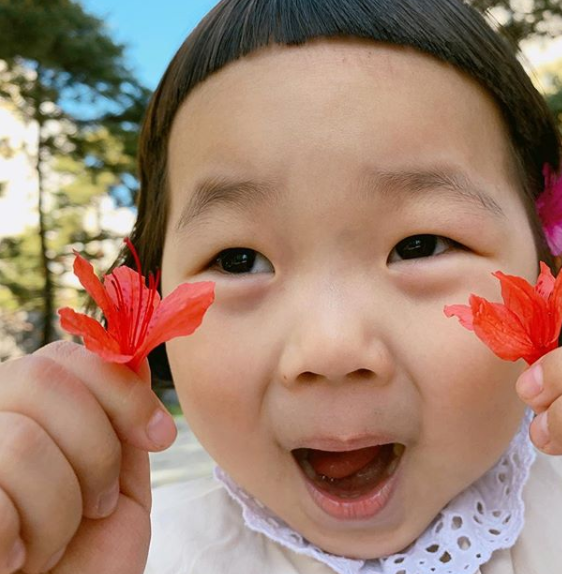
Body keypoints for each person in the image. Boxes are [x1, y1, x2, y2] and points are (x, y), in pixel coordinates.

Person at [1, 0, 561, 572]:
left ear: (548, 261)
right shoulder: (125, 554)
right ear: (150, 302)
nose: (330, 348)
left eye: (420, 245)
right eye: (240, 259)